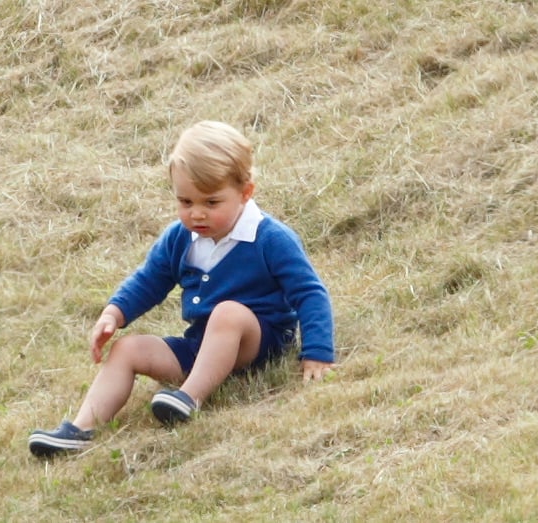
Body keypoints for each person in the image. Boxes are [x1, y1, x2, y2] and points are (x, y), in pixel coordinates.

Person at [28, 121, 335, 457]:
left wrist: (317, 353)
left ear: (245, 193)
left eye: (212, 202)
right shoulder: (179, 238)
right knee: (128, 348)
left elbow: (309, 292)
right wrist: (114, 313)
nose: (197, 213)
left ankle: (188, 398)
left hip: (258, 342)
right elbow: (149, 279)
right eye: (186, 201)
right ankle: (80, 429)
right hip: (200, 347)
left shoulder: (270, 238)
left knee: (227, 313)